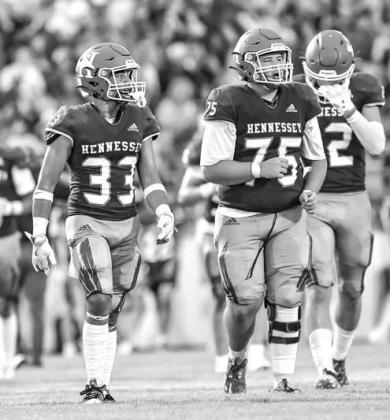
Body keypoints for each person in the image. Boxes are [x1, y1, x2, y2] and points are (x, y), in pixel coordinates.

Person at [28, 42, 175, 403]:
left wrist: (163, 210)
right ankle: (93, 383)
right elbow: (45, 185)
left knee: (113, 307)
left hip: (126, 223)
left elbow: (150, 177)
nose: (129, 81)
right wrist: (40, 235)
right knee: (98, 298)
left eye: (129, 74)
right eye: (120, 75)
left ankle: (102, 384)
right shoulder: (71, 119)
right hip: (87, 218)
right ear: (95, 81)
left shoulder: (140, 117)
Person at [200, 28, 327, 393]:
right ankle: (237, 360)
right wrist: (260, 169)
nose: (279, 66)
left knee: (288, 295)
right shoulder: (228, 99)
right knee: (245, 302)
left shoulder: (301, 95)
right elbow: (211, 169)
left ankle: (283, 378)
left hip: (288, 213)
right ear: (245, 64)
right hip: (240, 215)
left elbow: (317, 159)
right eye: (268, 59)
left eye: (281, 57)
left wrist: (311, 192)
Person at [298, 29, 386, 388]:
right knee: (320, 284)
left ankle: (339, 358)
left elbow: (378, 145)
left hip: (353, 196)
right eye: (318, 78)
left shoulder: (364, 86)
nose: (323, 84)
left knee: (352, 287)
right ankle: (324, 371)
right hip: (313, 198)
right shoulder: (295, 92)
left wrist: (348, 108)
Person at [178, 133, 270, 373]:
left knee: (256, 292)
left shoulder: (256, 136)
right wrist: (208, 189)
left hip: (249, 224)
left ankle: (258, 352)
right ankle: (222, 356)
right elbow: (184, 195)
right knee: (221, 294)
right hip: (212, 228)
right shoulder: (205, 144)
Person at [0, 149, 35, 379]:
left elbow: (32, 198)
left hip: (5, 236)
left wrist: (8, 208)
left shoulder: (10, 159)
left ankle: (8, 361)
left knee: (5, 299)